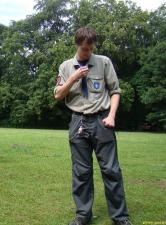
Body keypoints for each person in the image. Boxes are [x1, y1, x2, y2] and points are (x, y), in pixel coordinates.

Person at [54, 27, 132, 225]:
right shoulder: (65, 66)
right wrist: (73, 77)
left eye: (90, 49)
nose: (87, 53)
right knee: (81, 171)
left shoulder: (104, 62)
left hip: (102, 120)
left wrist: (112, 116)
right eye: (83, 49)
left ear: (93, 45)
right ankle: (83, 215)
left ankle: (120, 217)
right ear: (77, 44)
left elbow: (115, 91)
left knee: (111, 169)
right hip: (77, 120)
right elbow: (58, 95)